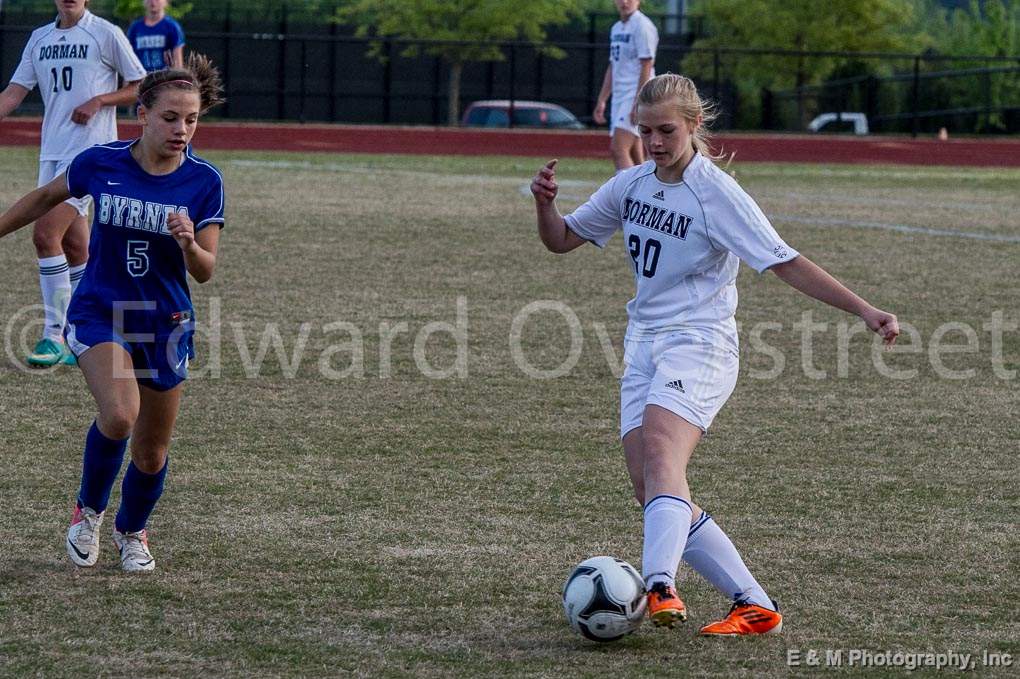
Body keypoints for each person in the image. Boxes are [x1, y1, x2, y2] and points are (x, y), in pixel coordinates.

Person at [532, 73, 899, 635]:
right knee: (651, 485)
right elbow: (561, 241)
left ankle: (659, 584)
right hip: (644, 345)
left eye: (666, 130)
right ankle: (754, 605)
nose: (654, 142)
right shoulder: (631, 185)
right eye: (646, 130)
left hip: (700, 343)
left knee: (661, 453)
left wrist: (863, 309)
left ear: (694, 125)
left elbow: (785, 261)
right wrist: (545, 205)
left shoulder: (716, 193)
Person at [0, 54, 226, 573]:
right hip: (101, 310)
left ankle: (132, 530)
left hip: (166, 323)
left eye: (191, 120)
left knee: (151, 453)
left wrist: (190, 245)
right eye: (170, 118)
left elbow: (207, 270)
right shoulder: (101, 162)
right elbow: (42, 200)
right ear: (142, 113)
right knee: (120, 415)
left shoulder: (204, 181)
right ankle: (88, 512)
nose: (181, 130)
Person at [0, 0, 146, 367]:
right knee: (75, 246)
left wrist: (100, 100)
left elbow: (140, 85)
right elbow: (14, 93)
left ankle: (55, 335)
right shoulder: (40, 38)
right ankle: (88, 333)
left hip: (90, 155)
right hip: (52, 152)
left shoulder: (105, 33)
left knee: (44, 234)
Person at [593, 0, 658, 172]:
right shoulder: (616, 28)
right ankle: (647, 194)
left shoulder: (642, 25)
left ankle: (627, 196)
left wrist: (639, 101)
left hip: (635, 93)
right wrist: (602, 100)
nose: (625, 2)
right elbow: (613, 66)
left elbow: (647, 64)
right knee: (636, 153)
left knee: (618, 148)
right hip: (621, 96)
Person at [127, 0, 186, 72]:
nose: (153, 2)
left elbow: (178, 61)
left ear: (166, 2)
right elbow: (129, 58)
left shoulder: (172, 27)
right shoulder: (135, 28)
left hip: (165, 78)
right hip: (141, 78)